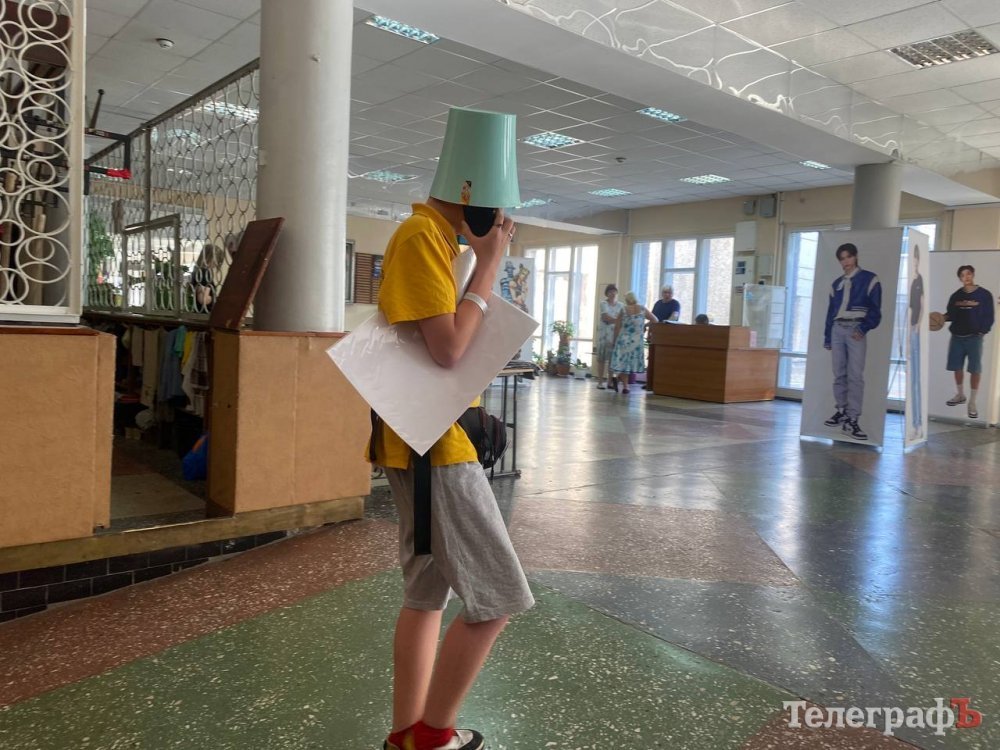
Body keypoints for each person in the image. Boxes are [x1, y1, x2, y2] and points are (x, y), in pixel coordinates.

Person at [371, 107, 534, 750]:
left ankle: (406, 734)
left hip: (423, 438)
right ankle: (434, 736)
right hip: (434, 446)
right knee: (498, 599)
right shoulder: (422, 237)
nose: (502, 223)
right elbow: (447, 349)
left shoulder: (438, 242)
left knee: (426, 594)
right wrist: (490, 266)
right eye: (500, 211)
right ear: (473, 196)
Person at [822, 242, 882, 441]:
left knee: (855, 375)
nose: (845, 261)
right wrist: (828, 337)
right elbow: (830, 313)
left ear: (855, 257)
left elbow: (875, 310)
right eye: (842, 258)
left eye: (848, 257)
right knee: (839, 373)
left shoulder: (870, 279)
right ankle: (841, 410)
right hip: (837, 329)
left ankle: (853, 418)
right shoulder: (836, 284)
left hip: (856, 328)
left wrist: (863, 328)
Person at [942, 264, 994, 419]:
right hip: (957, 336)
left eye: (968, 274)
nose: (966, 277)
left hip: (974, 337)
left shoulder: (984, 295)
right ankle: (960, 395)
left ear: (973, 275)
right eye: (963, 275)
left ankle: (972, 401)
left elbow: (989, 316)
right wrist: (939, 318)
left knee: (974, 369)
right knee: (956, 367)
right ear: (960, 278)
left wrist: (982, 331)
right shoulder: (956, 296)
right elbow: (951, 315)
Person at [610, 291, 658, 394]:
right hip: (636, 342)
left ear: (627, 300)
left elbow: (617, 327)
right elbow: (655, 320)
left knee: (623, 363)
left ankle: (619, 379)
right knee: (628, 365)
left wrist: (614, 341)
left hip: (623, 340)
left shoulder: (623, 309)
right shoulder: (642, 309)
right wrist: (645, 325)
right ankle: (625, 387)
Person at [644, 286, 680, 389]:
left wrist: (663, 324)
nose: (667, 294)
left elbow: (674, 317)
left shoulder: (675, 304)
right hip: (655, 334)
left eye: (669, 293)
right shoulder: (658, 303)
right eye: (665, 292)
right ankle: (650, 382)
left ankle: (662, 383)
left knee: (664, 359)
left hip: (668, 335)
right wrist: (646, 327)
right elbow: (652, 318)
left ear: (672, 294)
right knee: (651, 358)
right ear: (662, 293)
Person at [908, 245, 924, 439]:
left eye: (916, 260)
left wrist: (918, 326)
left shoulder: (920, 280)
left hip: (915, 331)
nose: (914, 263)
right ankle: (916, 425)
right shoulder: (911, 281)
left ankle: (918, 425)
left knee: (916, 380)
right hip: (910, 330)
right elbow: (911, 307)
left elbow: (922, 303)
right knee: (913, 380)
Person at [594, 284, 623, 389]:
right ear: (607, 293)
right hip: (604, 334)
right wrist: (617, 320)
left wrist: (616, 321)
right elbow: (605, 317)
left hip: (615, 335)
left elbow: (623, 319)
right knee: (601, 359)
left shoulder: (621, 305)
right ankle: (600, 382)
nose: (612, 293)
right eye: (610, 291)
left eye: (614, 291)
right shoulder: (603, 303)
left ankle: (610, 382)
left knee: (612, 360)